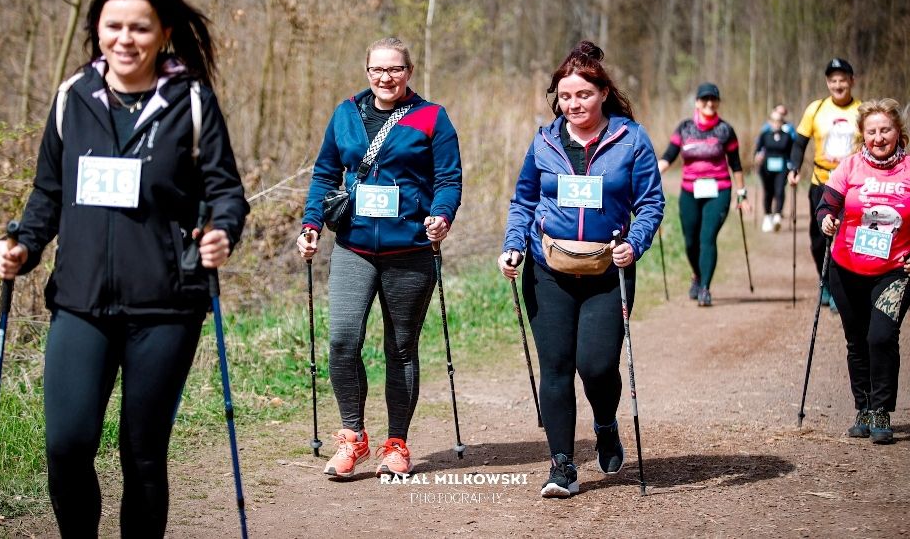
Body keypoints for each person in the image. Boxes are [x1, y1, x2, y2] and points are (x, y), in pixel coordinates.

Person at [0, 0, 249, 538]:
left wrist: (222, 232)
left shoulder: (190, 100)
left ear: (164, 33)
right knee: (67, 445)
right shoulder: (73, 97)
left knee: (143, 453)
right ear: (97, 30)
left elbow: (227, 192)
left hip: (166, 306)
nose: (125, 39)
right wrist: (23, 247)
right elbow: (48, 193)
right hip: (80, 302)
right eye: (114, 26)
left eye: (140, 27)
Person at [499, 40, 663, 498]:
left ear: (603, 93)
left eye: (583, 95)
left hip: (607, 271)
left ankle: (606, 424)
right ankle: (562, 466)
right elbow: (523, 200)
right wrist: (513, 246)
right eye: (565, 96)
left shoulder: (631, 139)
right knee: (555, 367)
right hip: (547, 269)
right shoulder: (544, 140)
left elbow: (651, 203)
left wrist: (634, 243)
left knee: (596, 366)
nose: (573, 104)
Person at [297, 36, 462, 479]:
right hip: (353, 246)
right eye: (377, 69)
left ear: (409, 72)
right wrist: (311, 224)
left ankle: (396, 444)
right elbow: (325, 174)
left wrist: (441, 216)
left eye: (395, 69)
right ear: (367, 71)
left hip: (409, 251)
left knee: (401, 348)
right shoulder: (346, 113)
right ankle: (353, 438)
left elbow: (448, 179)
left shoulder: (432, 117)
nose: (385, 77)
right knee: (342, 340)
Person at [816, 98, 910, 445]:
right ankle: (864, 408)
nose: (878, 137)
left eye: (885, 130)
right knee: (856, 341)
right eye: (871, 131)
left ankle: (882, 409)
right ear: (862, 135)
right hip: (847, 268)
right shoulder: (850, 166)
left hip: (894, 271)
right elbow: (827, 204)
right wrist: (826, 219)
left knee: (881, 337)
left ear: (898, 132)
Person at [658, 82, 747, 306]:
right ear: (697, 102)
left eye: (713, 99)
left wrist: (742, 193)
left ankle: (705, 288)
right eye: (704, 99)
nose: (709, 103)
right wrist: (649, 174)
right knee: (690, 242)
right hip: (690, 191)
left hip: (719, 190)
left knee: (707, 238)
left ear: (718, 103)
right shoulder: (684, 128)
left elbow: (736, 164)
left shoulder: (726, 130)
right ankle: (697, 275)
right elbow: (668, 157)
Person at [789, 58, 861, 310]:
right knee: (819, 239)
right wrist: (794, 167)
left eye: (843, 80)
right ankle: (827, 284)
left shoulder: (862, 110)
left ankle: (842, 289)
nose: (838, 85)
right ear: (827, 83)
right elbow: (800, 143)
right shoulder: (816, 109)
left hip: (853, 185)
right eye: (833, 80)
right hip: (821, 181)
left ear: (852, 81)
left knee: (845, 237)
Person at [755, 108, 795, 231]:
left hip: (782, 168)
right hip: (766, 168)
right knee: (768, 192)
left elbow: (792, 153)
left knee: (779, 190)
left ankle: (778, 215)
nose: (776, 123)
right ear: (770, 121)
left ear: (782, 122)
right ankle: (767, 216)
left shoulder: (787, 136)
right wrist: (757, 156)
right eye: (774, 120)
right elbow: (758, 150)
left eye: (779, 121)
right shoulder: (765, 135)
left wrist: (793, 168)